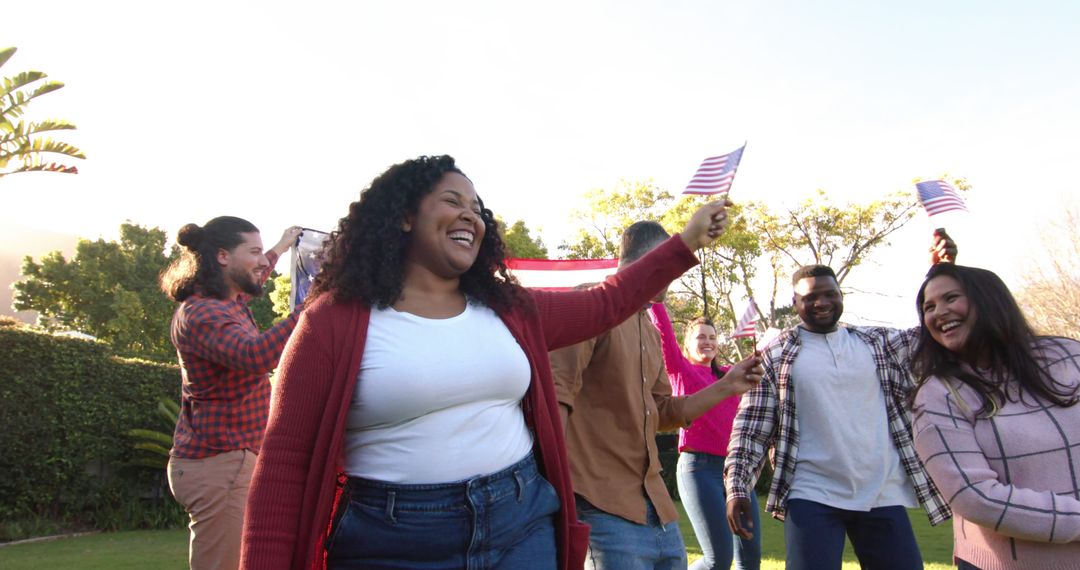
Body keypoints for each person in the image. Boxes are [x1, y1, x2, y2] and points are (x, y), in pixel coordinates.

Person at [239, 155, 733, 570]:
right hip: (392, 540)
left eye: (476, 208)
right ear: (404, 216)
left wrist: (684, 242)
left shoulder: (509, 309)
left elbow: (608, 301)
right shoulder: (333, 321)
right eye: (451, 201)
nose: (469, 216)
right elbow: (284, 463)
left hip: (521, 523)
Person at [724, 231, 958, 570]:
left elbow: (933, 332)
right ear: (795, 303)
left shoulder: (876, 343)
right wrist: (737, 488)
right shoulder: (776, 356)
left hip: (881, 491)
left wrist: (941, 272)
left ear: (841, 296)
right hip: (811, 494)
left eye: (830, 294)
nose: (822, 302)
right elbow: (751, 430)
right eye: (812, 296)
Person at [550, 220, 764, 570]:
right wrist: (554, 498)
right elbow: (556, 397)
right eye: (672, 260)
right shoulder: (588, 304)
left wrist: (729, 385)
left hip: (659, 511)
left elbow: (664, 411)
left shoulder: (647, 328)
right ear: (651, 258)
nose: (677, 273)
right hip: (600, 508)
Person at [911, 263, 1080, 570]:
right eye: (929, 307)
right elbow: (976, 498)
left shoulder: (1068, 356)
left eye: (951, 298)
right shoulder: (938, 396)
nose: (938, 312)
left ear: (989, 300)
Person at [159, 216, 302, 570]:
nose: (260, 261)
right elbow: (254, 356)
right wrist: (309, 308)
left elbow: (254, 275)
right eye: (252, 251)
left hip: (224, 461)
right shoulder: (204, 313)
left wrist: (282, 246)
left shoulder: (226, 299)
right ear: (223, 256)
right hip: (220, 466)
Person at [646, 305, 761, 570]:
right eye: (700, 337)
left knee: (750, 559)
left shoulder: (731, 376)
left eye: (712, 337)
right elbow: (663, 333)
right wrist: (657, 299)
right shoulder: (681, 370)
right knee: (718, 560)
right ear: (687, 343)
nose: (707, 342)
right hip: (699, 470)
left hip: (737, 472)